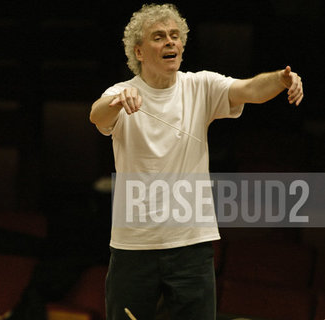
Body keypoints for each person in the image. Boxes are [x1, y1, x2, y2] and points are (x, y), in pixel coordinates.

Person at [89, 3, 303, 320]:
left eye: (175, 36)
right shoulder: (121, 92)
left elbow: (250, 89)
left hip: (191, 243)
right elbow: (97, 115)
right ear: (139, 51)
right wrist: (116, 102)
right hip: (134, 246)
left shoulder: (200, 85)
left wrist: (281, 80)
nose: (170, 42)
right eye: (159, 37)